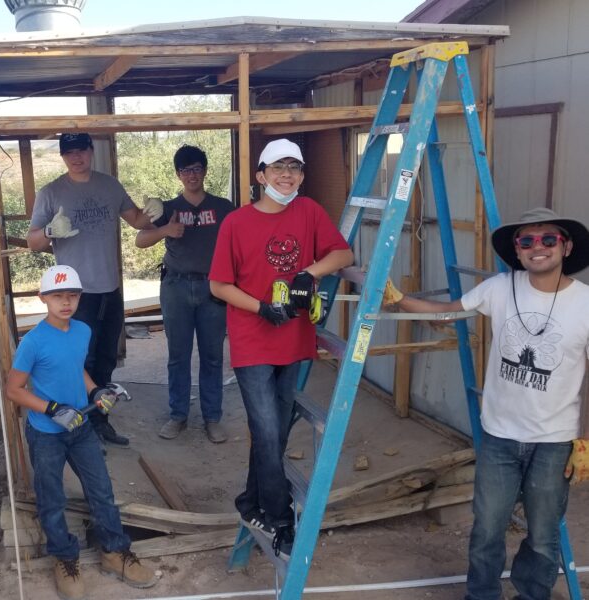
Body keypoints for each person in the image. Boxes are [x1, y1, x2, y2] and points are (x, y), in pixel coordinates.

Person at [384, 206, 589, 600]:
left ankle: (531, 595)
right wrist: (399, 300)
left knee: (544, 536)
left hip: (554, 440)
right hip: (499, 436)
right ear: (517, 249)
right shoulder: (499, 288)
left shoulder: (584, 303)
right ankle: (481, 596)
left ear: (566, 247)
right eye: (526, 241)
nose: (538, 248)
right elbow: (447, 314)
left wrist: (585, 441)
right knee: (487, 529)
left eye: (548, 239)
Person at [208, 139, 354, 557]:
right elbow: (219, 285)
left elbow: (342, 252)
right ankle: (279, 519)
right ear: (261, 176)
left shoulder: (308, 212)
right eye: (277, 168)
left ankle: (249, 503)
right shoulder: (236, 223)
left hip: (293, 340)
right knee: (268, 431)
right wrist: (260, 308)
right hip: (253, 339)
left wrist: (309, 272)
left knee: (276, 433)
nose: (286, 175)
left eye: (294, 168)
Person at [6, 265, 156, 600]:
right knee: (52, 498)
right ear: (43, 298)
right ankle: (64, 558)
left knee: (101, 490)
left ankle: (115, 553)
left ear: (79, 298)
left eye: (72, 295)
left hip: (80, 428)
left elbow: (78, 371)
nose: (66, 302)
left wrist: (94, 393)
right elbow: (13, 390)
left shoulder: (82, 331)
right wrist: (52, 409)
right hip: (46, 432)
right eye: (58, 296)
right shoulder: (32, 342)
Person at [27, 133, 157, 448]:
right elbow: (33, 243)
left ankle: (101, 422)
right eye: (68, 152)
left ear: (90, 151)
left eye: (81, 151)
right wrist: (48, 231)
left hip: (109, 290)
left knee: (105, 360)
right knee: (78, 361)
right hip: (74, 295)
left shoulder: (109, 186)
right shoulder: (52, 192)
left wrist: (153, 212)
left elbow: (137, 220)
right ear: (62, 157)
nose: (76, 157)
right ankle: (79, 427)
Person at [135, 145, 234, 443]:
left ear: (205, 171)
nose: (192, 175)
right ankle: (178, 415)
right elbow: (140, 239)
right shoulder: (166, 208)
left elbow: (238, 243)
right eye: (185, 170)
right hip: (176, 286)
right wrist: (166, 230)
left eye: (196, 169)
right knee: (178, 355)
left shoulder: (223, 207)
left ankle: (212, 418)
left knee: (213, 356)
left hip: (212, 287)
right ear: (178, 175)